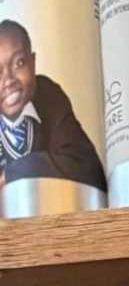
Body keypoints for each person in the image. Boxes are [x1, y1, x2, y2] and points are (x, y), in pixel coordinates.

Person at [0, 20, 105, 194]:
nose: (9, 81)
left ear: (33, 63)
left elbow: (88, 170)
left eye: (19, 63)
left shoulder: (47, 96)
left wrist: (12, 173)